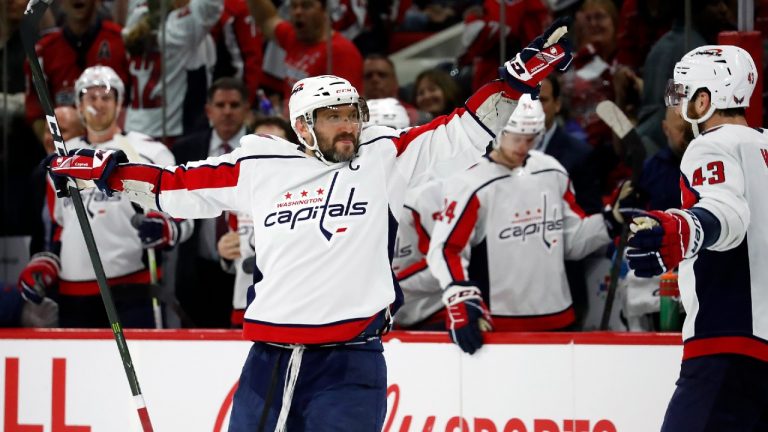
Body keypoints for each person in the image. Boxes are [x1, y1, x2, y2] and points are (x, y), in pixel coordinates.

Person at [44, 20, 573, 430]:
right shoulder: (260, 164)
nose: (349, 126)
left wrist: (511, 82)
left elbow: (459, 132)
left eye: (353, 113)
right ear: (302, 126)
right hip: (270, 358)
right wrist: (107, 171)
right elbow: (178, 187)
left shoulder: (383, 154)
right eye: (335, 118)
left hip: (352, 362)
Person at [625, 45, 767, 431]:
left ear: (704, 100)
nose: (677, 104)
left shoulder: (711, 144)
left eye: (684, 93)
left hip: (727, 343)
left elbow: (729, 212)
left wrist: (680, 230)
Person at [426, 94, 629, 354]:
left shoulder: (551, 170)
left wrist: (612, 220)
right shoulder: (471, 183)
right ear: (498, 131)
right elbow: (446, 248)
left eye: (531, 138)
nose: (523, 147)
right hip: (500, 324)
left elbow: (570, 242)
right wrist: (459, 296)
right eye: (516, 138)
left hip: (560, 317)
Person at [21, 66, 191, 328]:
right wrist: (46, 262)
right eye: (90, 96)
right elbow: (55, 227)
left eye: (106, 97)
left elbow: (183, 211)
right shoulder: (64, 156)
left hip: (130, 289)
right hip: (73, 294)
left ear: (119, 102)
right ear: (79, 103)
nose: (98, 103)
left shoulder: (149, 151)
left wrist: (166, 228)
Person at [173, 77, 251, 327]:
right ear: (209, 110)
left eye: (234, 105)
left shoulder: (264, 148)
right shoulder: (185, 150)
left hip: (250, 269)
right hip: (199, 272)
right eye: (220, 105)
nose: (227, 111)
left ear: (246, 109)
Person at [217, 116, 297, 327]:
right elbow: (236, 257)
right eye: (261, 146)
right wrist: (225, 254)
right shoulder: (238, 196)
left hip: (292, 308)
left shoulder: (307, 193)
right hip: (245, 308)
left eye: (275, 145)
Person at [24, 0, 129, 144]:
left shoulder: (121, 41)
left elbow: (133, 102)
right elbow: (35, 111)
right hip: (66, 154)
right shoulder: (43, 51)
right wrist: (57, 146)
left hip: (114, 145)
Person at [122, 0, 222, 140]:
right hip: (169, 133)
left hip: (133, 128)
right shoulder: (178, 28)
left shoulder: (136, 18)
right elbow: (210, 5)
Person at [247, 0, 364, 111]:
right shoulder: (294, 38)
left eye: (306, 6)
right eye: (294, 6)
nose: (298, 12)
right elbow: (267, 19)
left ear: (324, 11)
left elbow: (345, 107)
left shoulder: (342, 52)